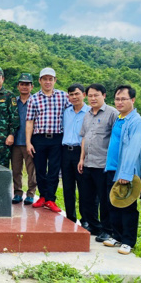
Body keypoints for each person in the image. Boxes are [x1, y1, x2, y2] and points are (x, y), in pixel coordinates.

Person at [103, 85, 141, 255]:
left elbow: (133, 149)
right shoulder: (119, 119)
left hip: (126, 171)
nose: (120, 102)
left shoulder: (137, 122)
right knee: (114, 203)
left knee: (128, 206)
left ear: (133, 100)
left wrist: (126, 173)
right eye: (117, 99)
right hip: (112, 169)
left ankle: (128, 241)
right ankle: (117, 236)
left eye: (124, 99)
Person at [25, 67, 70, 212]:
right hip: (39, 139)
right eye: (45, 79)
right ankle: (43, 196)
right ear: (40, 81)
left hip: (57, 138)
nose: (48, 82)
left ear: (55, 80)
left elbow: (72, 113)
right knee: (40, 169)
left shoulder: (63, 97)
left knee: (54, 170)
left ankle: (51, 199)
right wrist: (28, 142)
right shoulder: (33, 98)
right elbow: (30, 122)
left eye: (51, 79)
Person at [77, 84, 118, 239]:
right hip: (87, 163)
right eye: (90, 95)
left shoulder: (112, 113)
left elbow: (116, 139)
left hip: (103, 165)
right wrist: (81, 159)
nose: (93, 98)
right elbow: (84, 138)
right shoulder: (87, 114)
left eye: (96, 95)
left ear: (104, 96)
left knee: (104, 200)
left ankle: (107, 230)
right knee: (87, 199)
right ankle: (95, 227)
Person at [61, 83, 90, 224]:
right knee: (68, 187)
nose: (74, 97)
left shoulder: (90, 112)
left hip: (82, 152)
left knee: (84, 187)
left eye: (77, 94)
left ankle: (85, 219)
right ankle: (70, 218)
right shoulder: (66, 112)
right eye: (71, 94)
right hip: (66, 152)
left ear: (84, 95)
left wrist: (82, 157)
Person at [11, 73, 37, 205]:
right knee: (16, 170)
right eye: (22, 84)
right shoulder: (13, 102)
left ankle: (31, 193)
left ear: (32, 86)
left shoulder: (36, 101)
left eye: (27, 84)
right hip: (15, 142)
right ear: (18, 86)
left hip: (30, 143)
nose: (24, 87)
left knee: (31, 170)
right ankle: (17, 193)